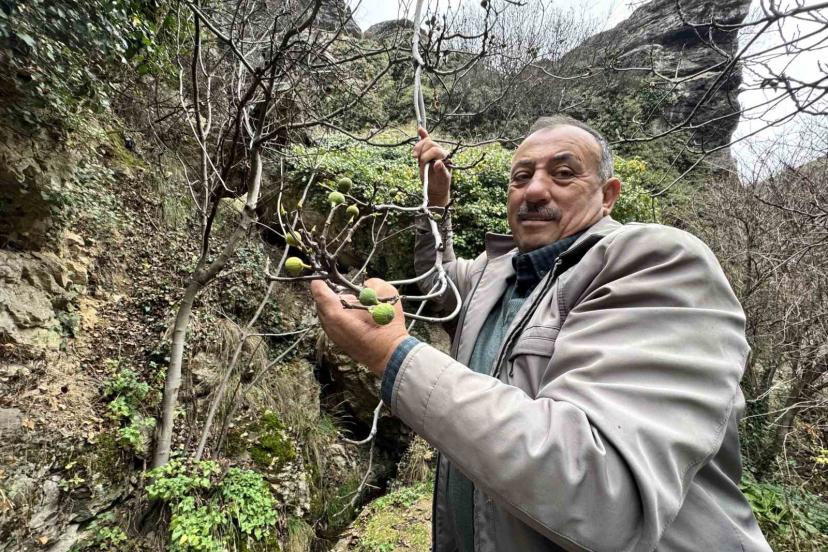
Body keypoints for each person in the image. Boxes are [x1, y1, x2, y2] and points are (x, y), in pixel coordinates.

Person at [311, 115, 771, 551]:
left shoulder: (657, 263)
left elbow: (600, 494)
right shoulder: (495, 274)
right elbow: (437, 280)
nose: (533, 190)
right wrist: (435, 204)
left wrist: (393, 355)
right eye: (521, 177)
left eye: (563, 173)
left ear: (608, 195)